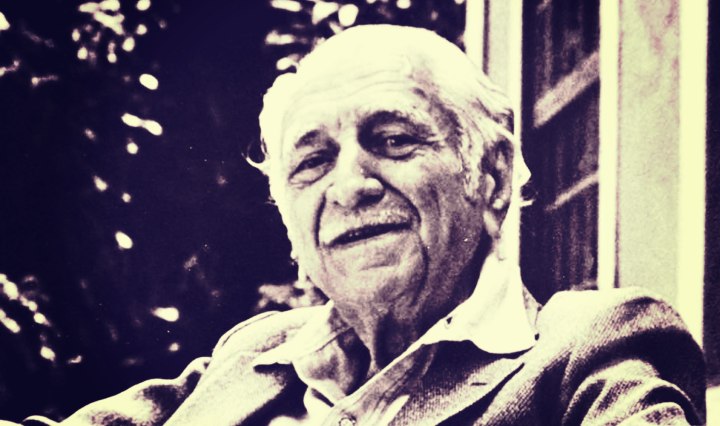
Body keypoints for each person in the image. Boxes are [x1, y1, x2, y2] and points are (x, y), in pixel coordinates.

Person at [5, 24, 705, 425]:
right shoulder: (253, 355)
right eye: (312, 161)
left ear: (490, 175)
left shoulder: (590, 345)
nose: (348, 187)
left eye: (393, 140)